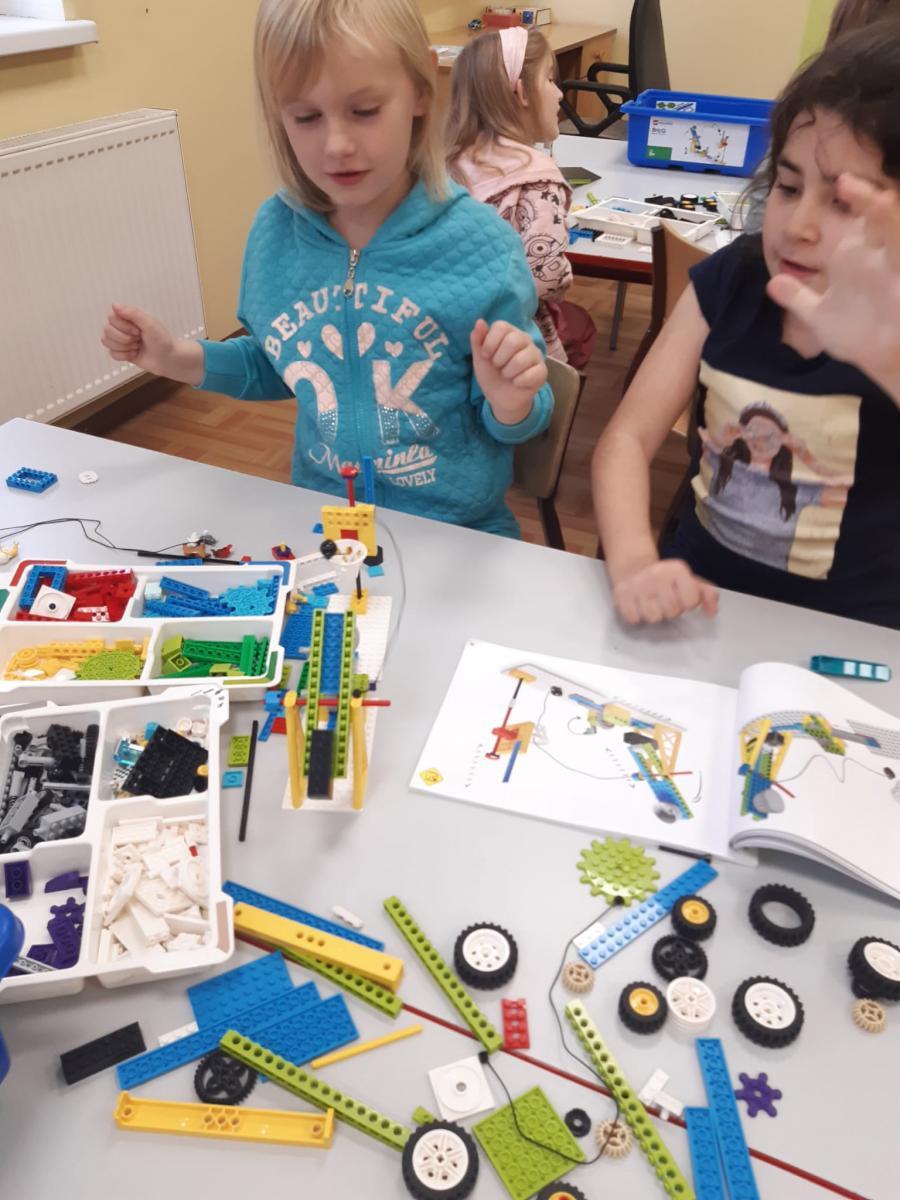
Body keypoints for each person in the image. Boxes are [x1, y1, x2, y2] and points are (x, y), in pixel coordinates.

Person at [102, 0, 552, 540]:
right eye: (306, 117)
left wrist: (511, 401)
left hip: (458, 530)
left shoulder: (482, 245)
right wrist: (174, 358)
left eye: (364, 110)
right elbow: (279, 362)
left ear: (420, 90)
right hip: (327, 523)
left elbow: (522, 414)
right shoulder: (275, 232)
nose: (337, 146)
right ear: (278, 115)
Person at [592, 23, 900, 629]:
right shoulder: (733, 278)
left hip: (855, 635)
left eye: (843, 203)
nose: (799, 225)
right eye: (788, 186)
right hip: (700, 607)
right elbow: (626, 438)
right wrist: (634, 563)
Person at [446, 26, 595, 367]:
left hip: (445, 333)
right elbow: (547, 275)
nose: (559, 93)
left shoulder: (445, 162)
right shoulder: (538, 175)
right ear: (522, 93)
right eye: (550, 79)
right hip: (511, 344)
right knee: (581, 328)